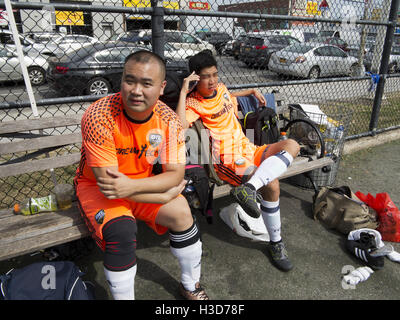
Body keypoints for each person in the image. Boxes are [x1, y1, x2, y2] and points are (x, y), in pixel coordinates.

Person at [74, 50, 209, 300]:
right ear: (121, 80)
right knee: (122, 231)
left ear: (161, 87)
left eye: (147, 83)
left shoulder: (169, 119)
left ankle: (190, 285)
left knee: (182, 213)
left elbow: (175, 174)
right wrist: (160, 195)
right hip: (99, 188)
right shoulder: (99, 114)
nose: (136, 90)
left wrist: (145, 188)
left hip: (137, 185)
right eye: (130, 80)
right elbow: (109, 185)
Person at [175, 51, 300, 272]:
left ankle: (249, 189)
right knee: (272, 184)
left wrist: (251, 91)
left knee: (292, 145)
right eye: (206, 76)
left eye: (215, 74)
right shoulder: (194, 102)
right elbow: (180, 127)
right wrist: (184, 92)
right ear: (195, 78)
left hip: (249, 148)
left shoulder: (221, 90)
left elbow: (228, 94)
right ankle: (276, 242)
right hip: (227, 161)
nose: (212, 80)